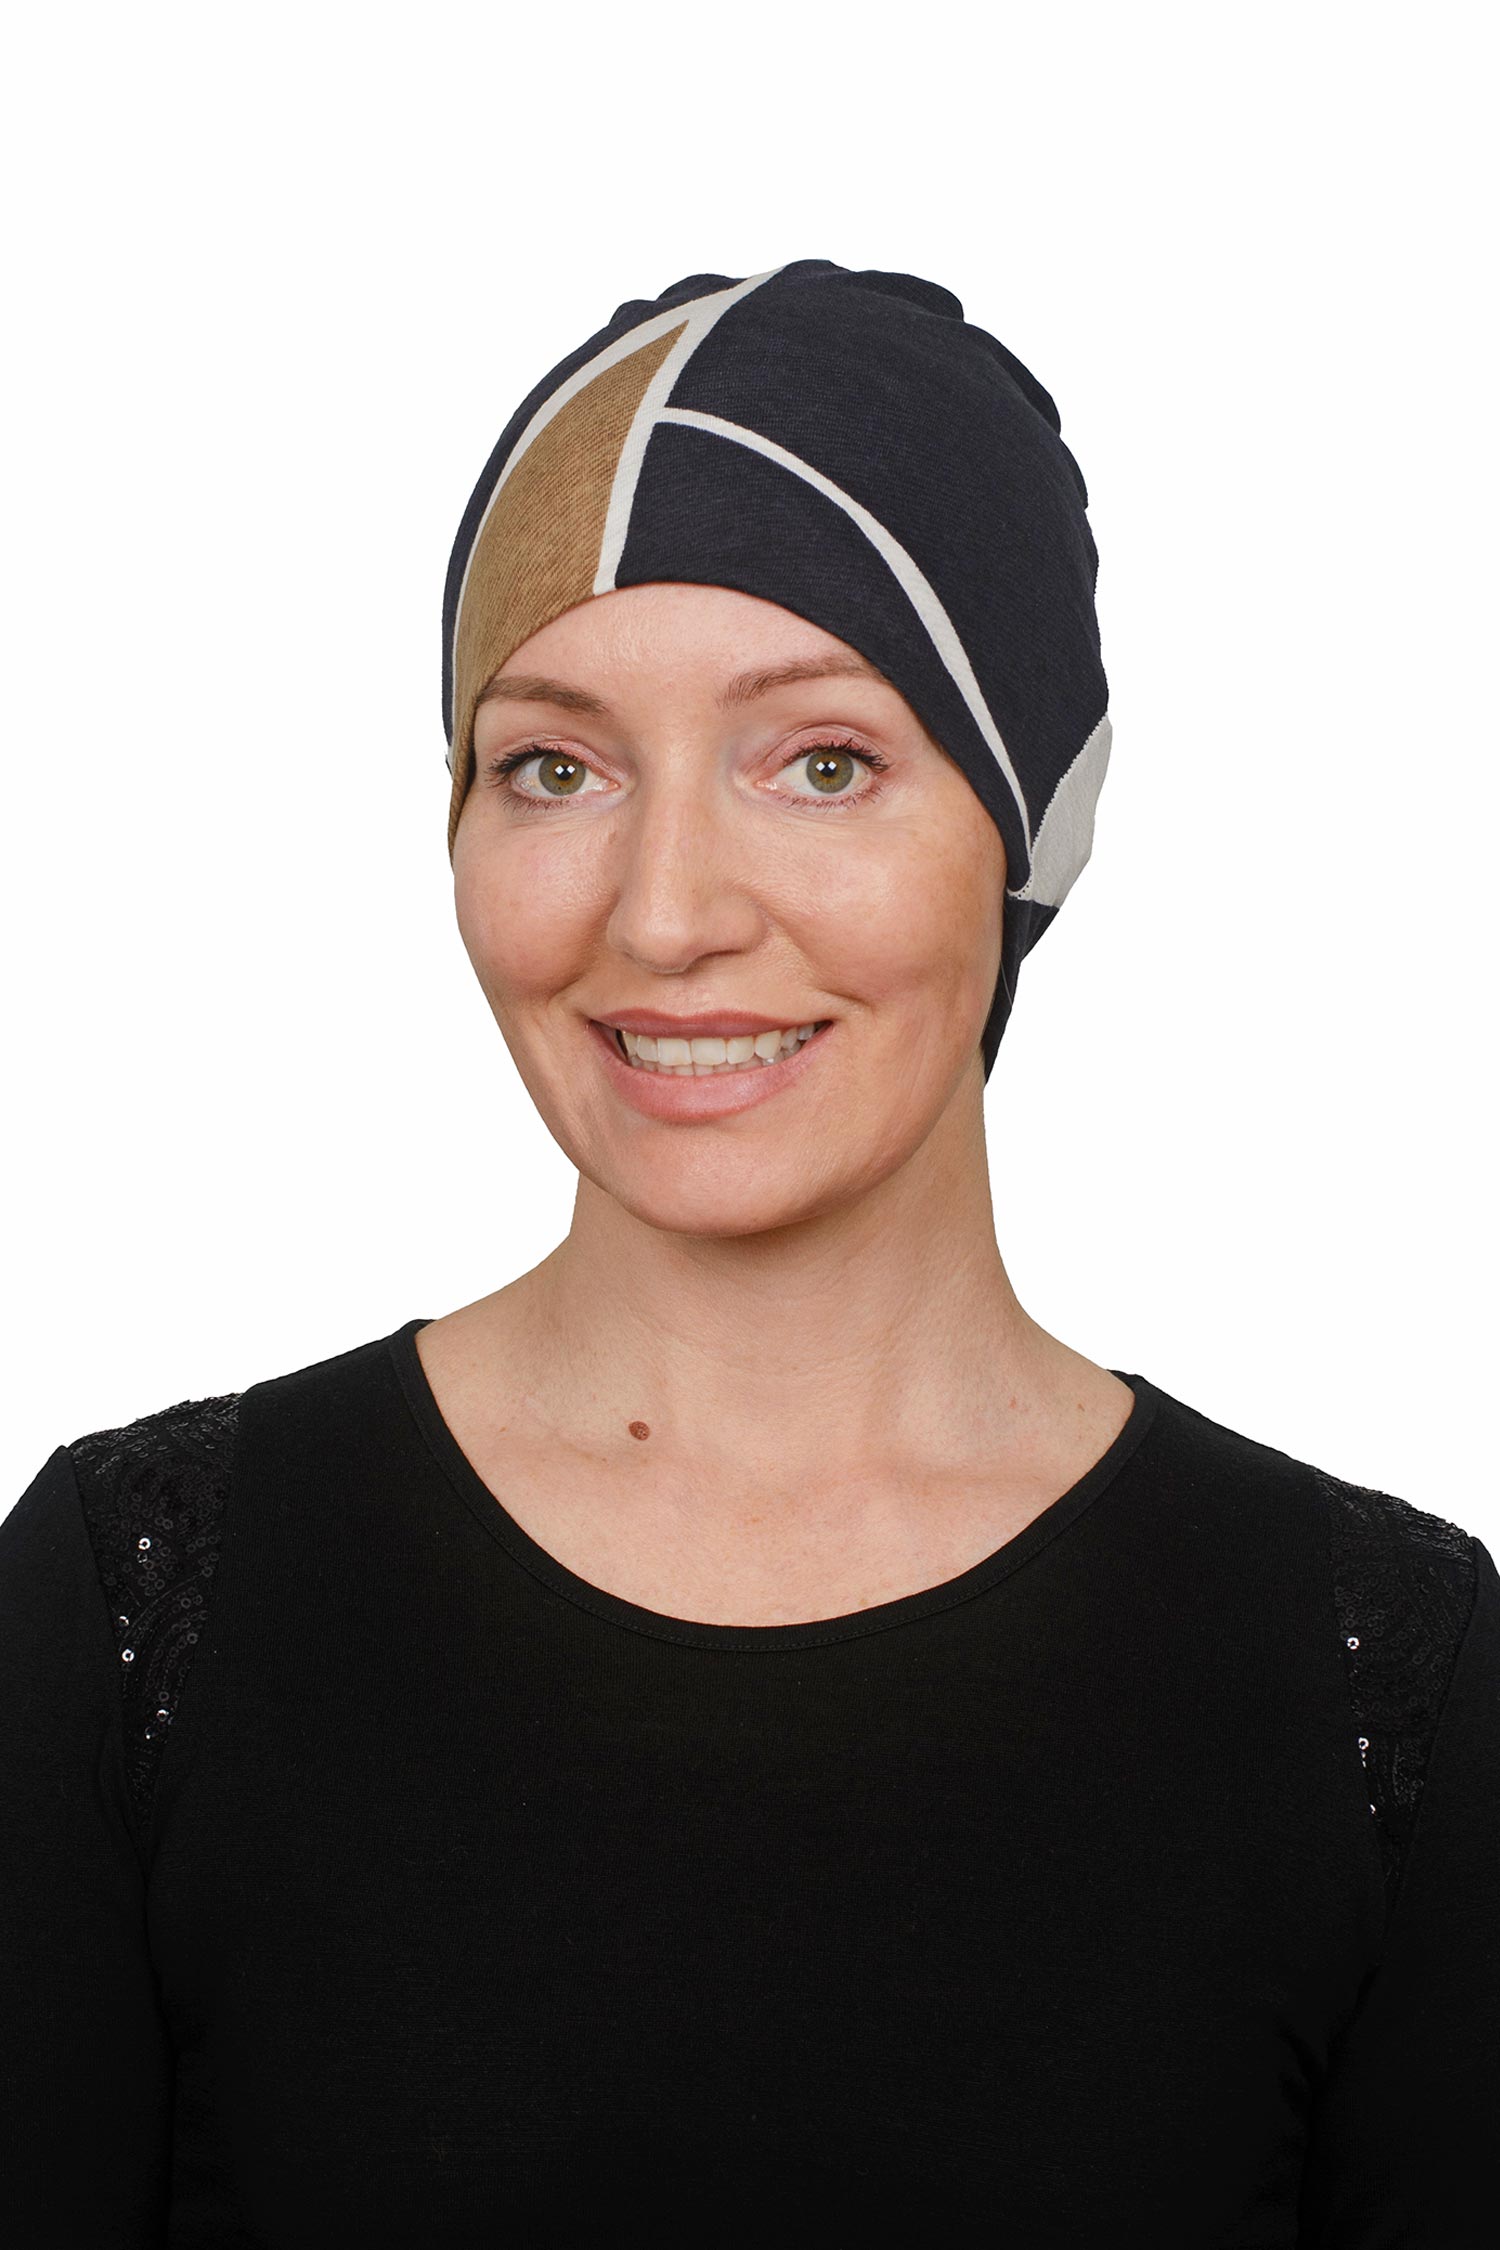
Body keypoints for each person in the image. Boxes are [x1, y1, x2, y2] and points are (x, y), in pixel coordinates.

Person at [3, 259, 1495, 2247]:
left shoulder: (1384, 1678)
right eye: (555, 766)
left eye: (823, 762)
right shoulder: (132, 1606)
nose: (666, 913)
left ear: (1024, 825)